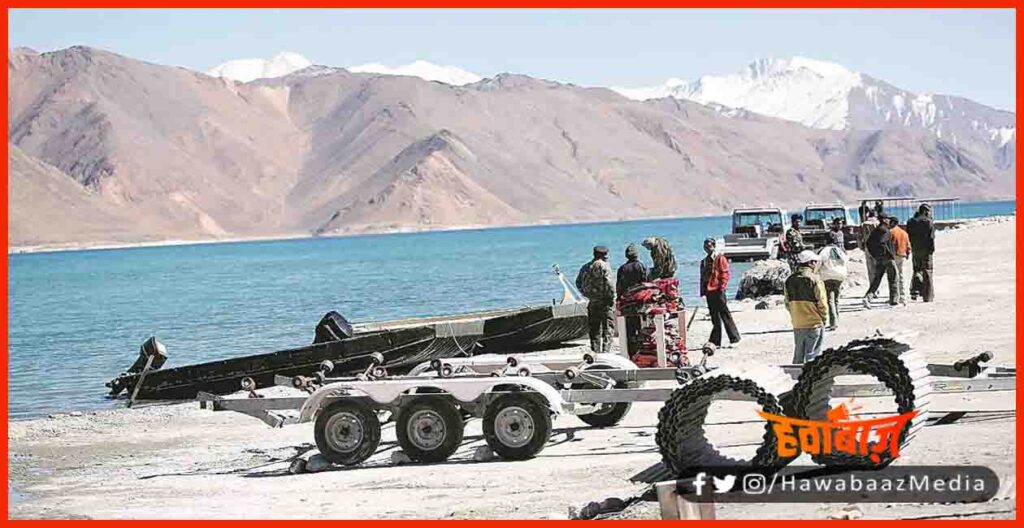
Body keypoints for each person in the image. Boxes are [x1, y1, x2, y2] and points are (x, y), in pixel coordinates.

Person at [785, 250, 829, 363]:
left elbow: (787, 303)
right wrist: (824, 318)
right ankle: (811, 379)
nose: (816, 265)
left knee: (798, 355)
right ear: (810, 263)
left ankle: (795, 377)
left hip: (797, 323)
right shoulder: (815, 279)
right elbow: (822, 302)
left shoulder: (789, 280)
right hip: (814, 322)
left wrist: (795, 314)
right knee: (812, 356)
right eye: (815, 262)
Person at [699, 237, 740, 348]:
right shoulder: (704, 261)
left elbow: (725, 274)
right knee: (714, 317)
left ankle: (734, 338)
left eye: (709, 246)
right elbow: (703, 277)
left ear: (714, 246)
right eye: (705, 246)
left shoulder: (719, 258)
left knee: (725, 314)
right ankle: (716, 341)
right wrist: (703, 291)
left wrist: (722, 287)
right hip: (709, 291)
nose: (707, 248)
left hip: (718, 290)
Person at [575, 246, 616, 354]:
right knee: (608, 327)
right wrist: (612, 296)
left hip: (592, 301)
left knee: (594, 329)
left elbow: (578, 282)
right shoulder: (603, 266)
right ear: (603, 255)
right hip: (605, 301)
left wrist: (586, 294)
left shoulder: (585, 267)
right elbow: (609, 284)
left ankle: (595, 351)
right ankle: (606, 351)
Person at [616, 244, 648, 355]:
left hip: (627, 302)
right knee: (641, 327)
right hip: (640, 301)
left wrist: (618, 299)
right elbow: (645, 283)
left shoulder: (622, 268)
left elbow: (619, 286)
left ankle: (631, 351)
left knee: (629, 329)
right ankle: (641, 349)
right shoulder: (641, 266)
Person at [862, 215, 898, 308]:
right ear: (885, 220)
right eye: (888, 219)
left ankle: (868, 297)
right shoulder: (885, 231)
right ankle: (894, 300)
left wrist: (875, 255)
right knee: (893, 278)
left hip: (879, 259)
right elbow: (882, 243)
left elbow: (868, 243)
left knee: (877, 279)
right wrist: (888, 254)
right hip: (887, 258)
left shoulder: (876, 230)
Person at [818, 230, 848, 331]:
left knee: (830, 300)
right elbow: (845, 260)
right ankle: (837, 319)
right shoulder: (838, 250)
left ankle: (833, 322)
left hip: (828, 277)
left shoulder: (824, 251)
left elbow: (819, 263)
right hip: (839, 276)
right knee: (836, 299)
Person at [906, 203, 936, 302]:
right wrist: (931, 250)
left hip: (915, 249)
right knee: (927, 271)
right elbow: (931, 238)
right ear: (925, 211)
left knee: (916, 270)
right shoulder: (928, 222)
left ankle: (915, 291)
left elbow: (908, 236)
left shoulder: (910, 222)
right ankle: (927, 296)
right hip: (926, 250)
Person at [888, 216, 911, 306]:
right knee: (901, 277)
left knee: (894, 277)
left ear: (893, 223)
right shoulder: (904, 233)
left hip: (894, 255)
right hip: (902, 255)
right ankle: (903, 297)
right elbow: (908, 245)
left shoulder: (890, 232)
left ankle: (895, 297)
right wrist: (908, 253)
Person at [858, 211, 880, 289]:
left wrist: (861, 247)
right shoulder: (878, 223)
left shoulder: (863, 224)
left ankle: (872, 288)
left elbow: (859, 238)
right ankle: (877, 288)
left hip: (867, 247)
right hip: (877, 248)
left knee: (870, 270)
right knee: (877, 269)